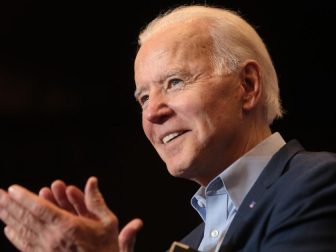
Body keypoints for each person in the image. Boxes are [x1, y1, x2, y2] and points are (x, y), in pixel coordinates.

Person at [1, 4, 336, 252]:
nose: (153, 113)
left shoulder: (317, 183)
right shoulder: (190, 242)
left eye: (175, 82)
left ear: (247, 86)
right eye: (143, 98)